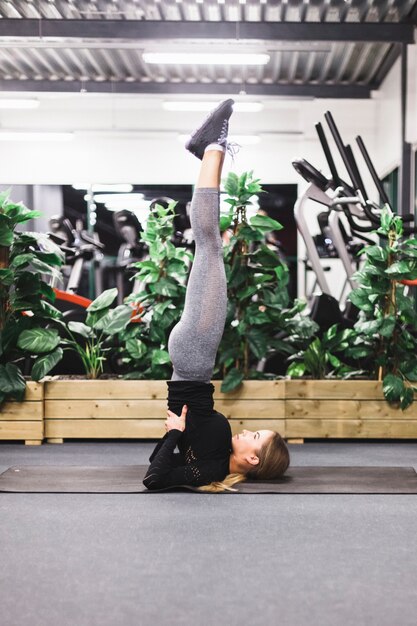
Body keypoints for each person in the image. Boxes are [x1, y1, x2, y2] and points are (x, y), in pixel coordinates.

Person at [143, 99, 290, 492]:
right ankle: (210, 151)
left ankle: (212, 147)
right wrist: (176, 433)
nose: (248, 431)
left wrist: (175, 431)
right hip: (194, 359)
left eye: (255, 436)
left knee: (208, 245)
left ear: (252, 459)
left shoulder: (211, 467)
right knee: (209, 245)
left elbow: (154, 477)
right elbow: (162, 460)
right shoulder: (215, 454)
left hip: (194, 353)